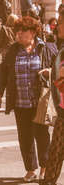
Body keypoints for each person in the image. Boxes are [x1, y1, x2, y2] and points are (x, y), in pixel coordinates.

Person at [0, 16, 56, 182]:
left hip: (39, 102)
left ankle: (45, 167)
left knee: (42, 136)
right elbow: (3, 73)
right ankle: (30, 169)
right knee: (25, 137)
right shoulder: (12, 50)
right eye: (17, 31)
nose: (19, 34)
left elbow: (58, 68)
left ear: (33, 32)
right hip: (20, 101)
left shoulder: (46, 48)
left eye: (23, 31)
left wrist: (50, 71)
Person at [41, 47, 64, 185]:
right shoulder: (61, 52)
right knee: (55, 150)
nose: (57, 25)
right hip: (62, 110)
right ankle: (49, 181)